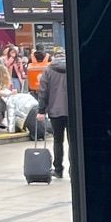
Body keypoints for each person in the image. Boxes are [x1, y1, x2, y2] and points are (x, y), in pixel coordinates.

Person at [36, 48, 70, 178]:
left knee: (58, 140)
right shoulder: (73, 67)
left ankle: (58, 169)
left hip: (55, 111)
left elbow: (43, 91)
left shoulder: (49, 70)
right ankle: (74, 169)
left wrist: (41, 110)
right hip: (72, 111)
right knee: (73, 142)